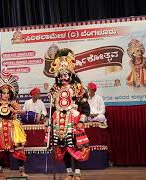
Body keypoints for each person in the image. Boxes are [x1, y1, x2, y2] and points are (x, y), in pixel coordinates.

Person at [49, 48, 90, 180]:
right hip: (59, 121)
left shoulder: (77, 88)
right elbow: (53, 108)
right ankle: (69, 173)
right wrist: (50, 122)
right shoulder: (55, 89)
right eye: (61, 75)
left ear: (71, 75)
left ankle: (77, 172)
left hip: (73, 120)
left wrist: (81, 121)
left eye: (66, 74)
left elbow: (85, 106)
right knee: (63, 146)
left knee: (75, 146)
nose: (63, 77)